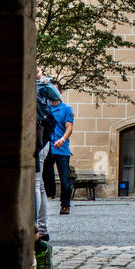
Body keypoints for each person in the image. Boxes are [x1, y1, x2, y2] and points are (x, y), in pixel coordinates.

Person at [35, 68, 61, 241]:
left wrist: (42, 79)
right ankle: (42, 229)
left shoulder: (40, 85)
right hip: (42, 138)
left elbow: (56, 97)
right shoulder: (37, 86)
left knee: (36, 183)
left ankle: (35, 226)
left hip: (39, 139)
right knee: (40, 184)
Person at [48, 80, 75, 215]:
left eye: (56, 90)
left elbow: (69, 127)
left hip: (61, 149)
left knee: (65, 179)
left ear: (60, 92)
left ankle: (65, 204)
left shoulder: (66, 109)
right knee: (43, 177)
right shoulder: (44, 107)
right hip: (46, 148)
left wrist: (63, 139)